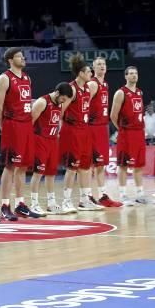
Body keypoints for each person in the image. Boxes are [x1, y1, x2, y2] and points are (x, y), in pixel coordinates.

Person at [0, 47, 38, 221]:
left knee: (24, 166)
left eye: (23, 56)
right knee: (10, 166)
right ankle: (5, 206)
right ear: (11, 60)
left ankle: (21, 205)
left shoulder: (27, 77)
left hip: (26, 125)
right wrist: (3, 126)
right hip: (12, 125)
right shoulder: (4, 78)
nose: (23, 58)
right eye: (20, 56)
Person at [60, 55, 102, 212]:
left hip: (85, 129)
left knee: (86, 166)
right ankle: (65, 200)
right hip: (72, 130)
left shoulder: (87, 89)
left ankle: (84, 200)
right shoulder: (71, 89)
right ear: (80, 73)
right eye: (88, 71)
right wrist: (59, 129)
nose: (91, 73)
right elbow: (61, 109)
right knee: (72, 167)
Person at [29, 83, 74, 215]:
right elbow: (30, 122)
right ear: (57, 93)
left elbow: (57, 119)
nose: (63, 102)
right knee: (38, 173)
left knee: (51, 173)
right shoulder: (42, 102)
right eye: (63, 98)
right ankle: (34, 204)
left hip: (53, 140)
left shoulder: (59, 103)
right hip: (40, 140)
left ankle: (51, 203)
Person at [86, 57, 122, 207]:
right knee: (88, 164)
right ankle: (87, 196)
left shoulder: (105, 84)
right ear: (93, 68)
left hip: (102, 127)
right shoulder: (92, 84)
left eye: (103, 64)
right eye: (98, 64)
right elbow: (82, 104)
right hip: (91, 127)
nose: (102, 66)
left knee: (101, 164)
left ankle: (102, 195)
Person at [111, 66, 148, 206]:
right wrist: (122, 129)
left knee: (139, 165)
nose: (134, 76)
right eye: (131, 74)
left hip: (139, 133)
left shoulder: (139, 92)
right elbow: (113, 115)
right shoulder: (121, 93)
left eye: (135, 73)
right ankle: (123, 194)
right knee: (123, 164)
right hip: (126, 133)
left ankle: (139, 193)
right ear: (125, 76)